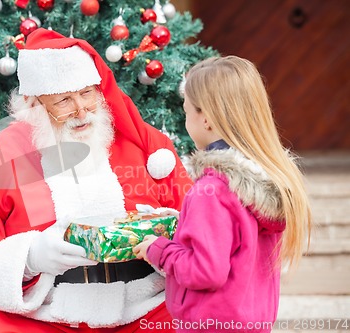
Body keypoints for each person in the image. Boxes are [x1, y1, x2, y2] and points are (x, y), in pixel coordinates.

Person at [0, 28, 194, 332]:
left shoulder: (146, 146)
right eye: (63, 100)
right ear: (34, 105)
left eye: (87, 93)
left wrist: (163, 234)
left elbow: (200, 228)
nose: (81, 111)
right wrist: (29, 258)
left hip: (148, 308)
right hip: (47, 316)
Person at [133, 55, 312, 332]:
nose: (186, 120)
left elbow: (205, 271)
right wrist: (184, 222)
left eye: (187, 111)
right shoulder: (265, 179)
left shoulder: (212, 189)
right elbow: (236, 245)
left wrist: (158, 249)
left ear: (206, 119)